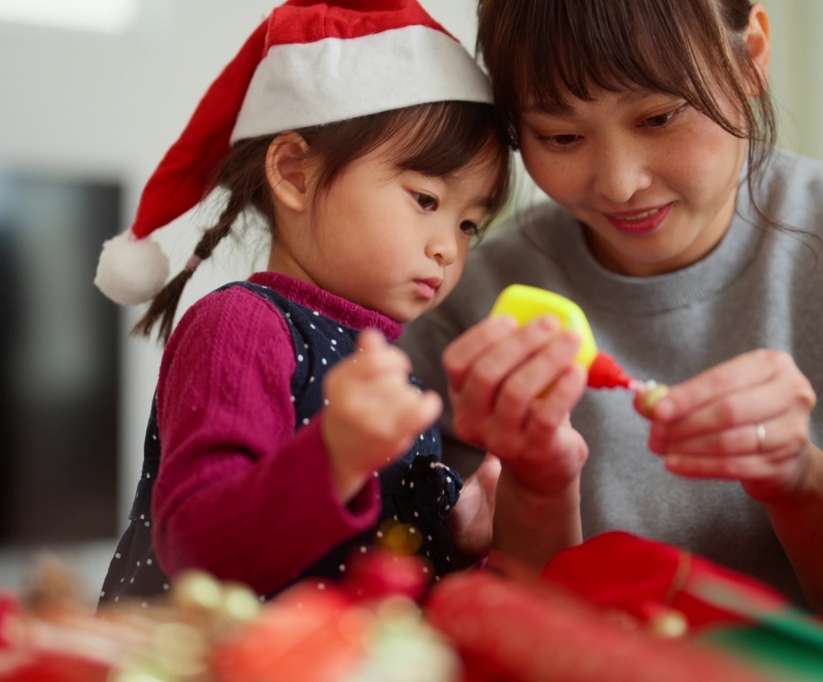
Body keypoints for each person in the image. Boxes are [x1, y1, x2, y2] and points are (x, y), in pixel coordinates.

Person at [399, 0, 823, 611]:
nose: (619, 183)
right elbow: (480, 611)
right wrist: (537, 488)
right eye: (562, 136)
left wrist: (799, 480)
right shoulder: (471, 299)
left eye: (658, 118)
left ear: (751, 56)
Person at [94, 0, 511, 608]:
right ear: (295, 173)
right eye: (425, 199)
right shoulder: (241, 326)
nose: (448, 247)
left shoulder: (385, 358)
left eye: (471, 224)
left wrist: (455, 530)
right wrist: (335, 455)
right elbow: (197, 551)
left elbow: (370, 564)